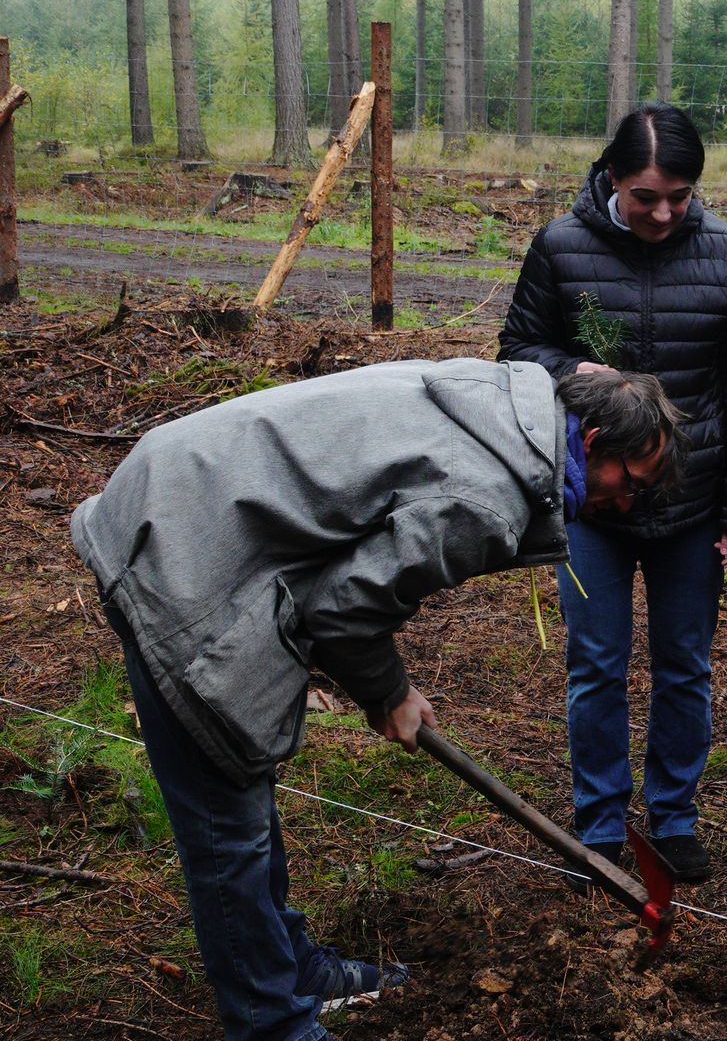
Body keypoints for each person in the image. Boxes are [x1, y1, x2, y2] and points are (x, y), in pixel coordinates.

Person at [72, 361, 683, 1041]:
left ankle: (291, 967)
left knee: (242, 780)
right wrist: (388, 693)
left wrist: (381, 686)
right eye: (630, 482)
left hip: (197, 491)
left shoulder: (509, 400)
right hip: (184, 545)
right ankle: (271, 1023)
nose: (626, 504)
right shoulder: (487, 498)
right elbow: (344, 605)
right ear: (592, 440)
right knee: (227, 821)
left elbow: (344, 573)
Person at [500, 102, 727, 885]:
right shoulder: (559, 246)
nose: (662, 213)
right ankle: (598, 824)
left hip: (692, 502)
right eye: (644, 196)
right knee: (596, 662)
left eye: (679, 197)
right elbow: (518, 348)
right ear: (611, 178)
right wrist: (568, 371)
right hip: (591, 500)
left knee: (684, 662)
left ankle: (674, 816)